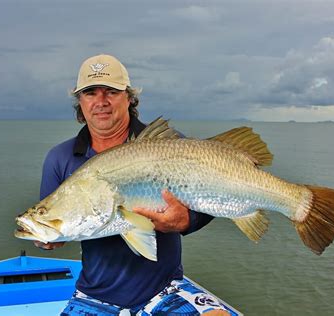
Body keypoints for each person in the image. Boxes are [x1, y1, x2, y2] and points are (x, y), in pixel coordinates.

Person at [35, 54, 233, 315]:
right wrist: (47, 236)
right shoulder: (60, 158)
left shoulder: (167, 145)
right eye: (90, 92)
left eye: (111, 92)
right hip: (93, 296)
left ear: (129, 98)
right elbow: (55, 216)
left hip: (166, 289)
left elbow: (215, 192)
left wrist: (188, 220)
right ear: (80, 102)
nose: (101, 102)